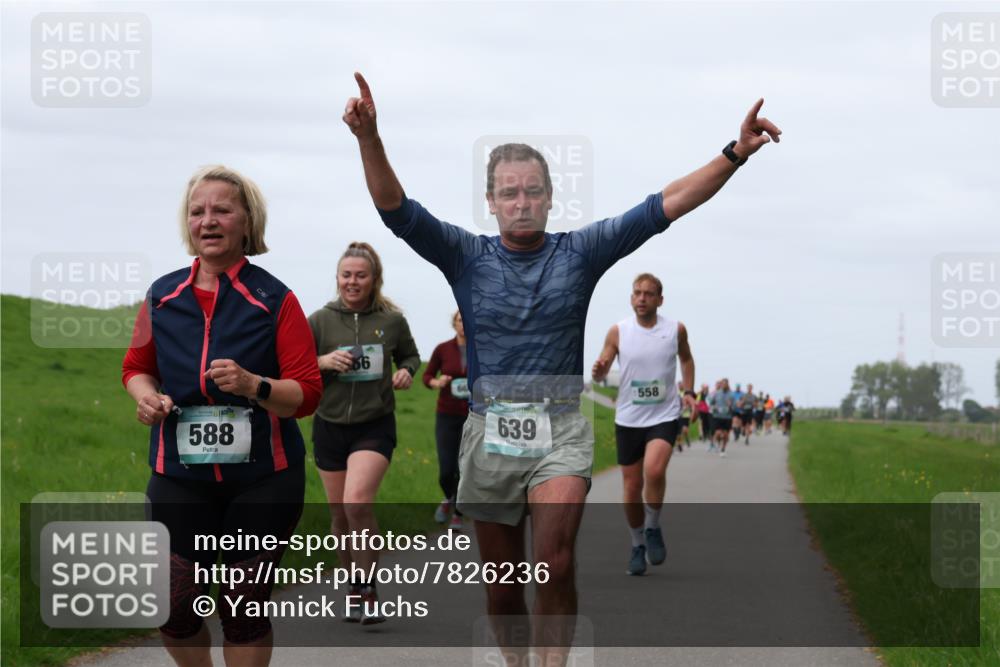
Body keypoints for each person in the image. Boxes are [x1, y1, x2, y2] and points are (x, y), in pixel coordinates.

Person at [342, 71, 780, 660]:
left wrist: (734, 154)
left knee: (554, 561)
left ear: (549, 198)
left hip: (560, 431)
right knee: (502, 588)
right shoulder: (466, 255)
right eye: (508, 193)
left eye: (532, 192)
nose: (521, 202)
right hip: (490, 431)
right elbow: (396, 211)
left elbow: (665, 206)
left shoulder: (581, 251)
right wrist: (369, 137)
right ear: (492, 202)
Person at [122, 165, 322, 666]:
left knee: (242, 609)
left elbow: (308, 394)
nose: (208, 221)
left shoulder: (276, 300)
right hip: (179, 475)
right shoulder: (161, 297)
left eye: (222, 210)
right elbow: (136, 369)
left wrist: (256, 386)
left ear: (247, 222)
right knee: (173, 605)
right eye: (197, 211)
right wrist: (146, 397)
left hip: (263, 479)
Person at [308, 241, 421, 624]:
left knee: (357, 503)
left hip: (374, 424)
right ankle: (352, 586)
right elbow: (295, 365)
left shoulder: (391, 320)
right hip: (329, 424)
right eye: (346, 275)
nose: (352, 282)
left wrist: (406, 370)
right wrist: (322, 361)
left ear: (374, 280)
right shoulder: (320, 320)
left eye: (360, 275)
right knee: (339, 514)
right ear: (337, 278)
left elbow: (410, 355)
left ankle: (368, 585)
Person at [592, 273, 694, 576]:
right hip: (629, 418)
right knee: (632, 486)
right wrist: (598, 370)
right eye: (637, 293)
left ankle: (652, 527)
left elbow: (687, 360)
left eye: (648, 294)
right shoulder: (618, 331)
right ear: (631, 297)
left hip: (663, 414)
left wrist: (688, 391)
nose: (641, 298)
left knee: (654, 470)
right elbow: (603, 367)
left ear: (659, 300)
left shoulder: (675, 330)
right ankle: (637, 543)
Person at [423, 310, 470, 531]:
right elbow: (426, 376)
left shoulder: (481, 350)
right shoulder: (442, 349)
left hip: (474, 416)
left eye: (467, 320)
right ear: (454, 323)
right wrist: (436, 383)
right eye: (460, 320)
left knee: (465, 468)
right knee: (446, 469)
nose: (463, 324)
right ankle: (449, 497)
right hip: (447, 415)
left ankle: (458, 514)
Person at [710, 379, 735, 457]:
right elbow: (711, 403)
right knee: (717, 433)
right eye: (722, 384)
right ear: (721, 385)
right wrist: (714, 407)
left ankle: (723, 449)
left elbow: (735, 406)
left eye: (725, 384)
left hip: (727, 417)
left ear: (727, 385)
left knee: (726, 435)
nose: (724, 385)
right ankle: (718, 443)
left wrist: (731, 405)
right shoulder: (716, 393)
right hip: (717, 416)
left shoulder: (731, 394)